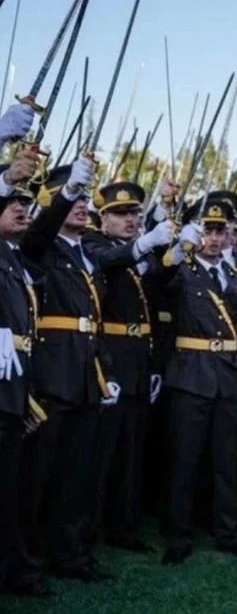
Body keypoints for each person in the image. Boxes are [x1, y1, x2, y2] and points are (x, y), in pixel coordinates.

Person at [17, 159, 121, 584]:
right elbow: (40, 230)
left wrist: (105, 370)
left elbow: (95, 320)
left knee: (79, 475)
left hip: (85, 375)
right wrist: (65, 194)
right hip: (51, 375)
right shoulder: (39, 245)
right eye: (72, 197)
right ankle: (28, 562)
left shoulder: (88, 253)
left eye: (83, 197)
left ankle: (72, 555)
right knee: (38, 477)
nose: (81, 205)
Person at [159, 198, 237, 565]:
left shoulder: (236, 278)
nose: (215, 239)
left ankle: (228, 532)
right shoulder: (182, 271)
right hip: (191, 374)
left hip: (228, 376)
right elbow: (158, 281)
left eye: (220, 231)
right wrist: (176, 247)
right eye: (208, 231)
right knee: (185, 460)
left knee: (226, 460)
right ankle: (178, 536)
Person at [84, 182, 172, 556]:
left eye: (135, 214)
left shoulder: (139, 254)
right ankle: (87, 530)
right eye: (121, 214)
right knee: (100, 455)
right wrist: (147, 242)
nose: (130, 220)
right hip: (110, 360)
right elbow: (110, 261)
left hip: (138, 360)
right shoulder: (94, 245)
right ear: (103, 219)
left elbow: (152, 306)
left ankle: (125, 525)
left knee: (131, 452)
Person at [0, 147, 48, 598]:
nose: (20, 207)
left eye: (25, 202)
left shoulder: (14, 258)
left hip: (13, 389)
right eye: (9, 202)